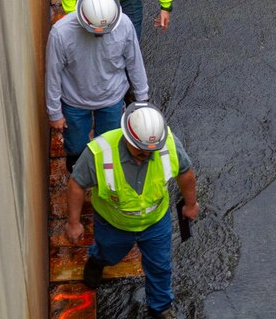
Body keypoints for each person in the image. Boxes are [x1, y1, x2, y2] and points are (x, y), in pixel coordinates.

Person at [65, 102, 199, 319]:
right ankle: (98, 260)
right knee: (110, 254)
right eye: (141, 149)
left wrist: (190, 204)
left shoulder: (169, 144)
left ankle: (160, 307)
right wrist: (73, 222)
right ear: (127, 137)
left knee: (160, 266)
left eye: (150, 150)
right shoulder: (99, 152)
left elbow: (186, 172)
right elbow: (77, 184)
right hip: (113, 224)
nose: (146, 154)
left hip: (155, 221)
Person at [46, 0, 149, 172]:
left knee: (109, 148)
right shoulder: (60, 34)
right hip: (74, 102)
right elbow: (53, 74)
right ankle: (80, 179)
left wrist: (142, 99)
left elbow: (135, 62)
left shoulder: (124, 25)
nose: (100, 35)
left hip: (112, 100)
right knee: (77, 150)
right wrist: (55, 113)